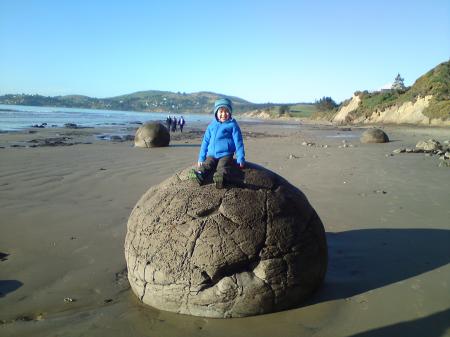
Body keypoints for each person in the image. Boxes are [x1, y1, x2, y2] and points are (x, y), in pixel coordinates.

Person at [189, 98, 245, 189]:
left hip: (226, 154)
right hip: (211, 154)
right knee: (206, 165)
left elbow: (238, 142)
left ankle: (220, 178)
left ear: (230, 113)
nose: (224, 114)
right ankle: (199, 175)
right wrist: (201, 157)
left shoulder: (232, 125)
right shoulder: (211, 125)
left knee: (223, 166)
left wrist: (240, 157)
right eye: (221, 111)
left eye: (226, 111)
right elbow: (205, 141)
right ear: (216, 113)